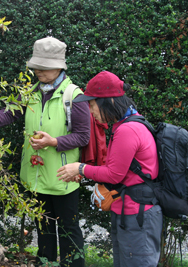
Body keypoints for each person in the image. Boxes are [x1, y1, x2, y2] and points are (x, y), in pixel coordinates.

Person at [0, 37, 90, 267]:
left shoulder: (73, 96)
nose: (38, 71)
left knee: (69, 232)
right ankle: (46, 263)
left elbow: (83, 136)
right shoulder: (31, 92)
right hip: (36, 177)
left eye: (43, 67)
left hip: (62, 177)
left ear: (59, 67)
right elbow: (10, 112)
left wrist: (53, 141)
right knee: (44, 231)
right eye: (36, 66)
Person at [57, 71, 163, 267]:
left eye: (92, 104)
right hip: (131, 212)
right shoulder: (129, 123)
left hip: (137, 215)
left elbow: (114, 174)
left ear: (109, 101)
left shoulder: (127, 130)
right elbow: (119, 170)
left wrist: (80, 168)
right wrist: (82, 172)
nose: (91, 110)